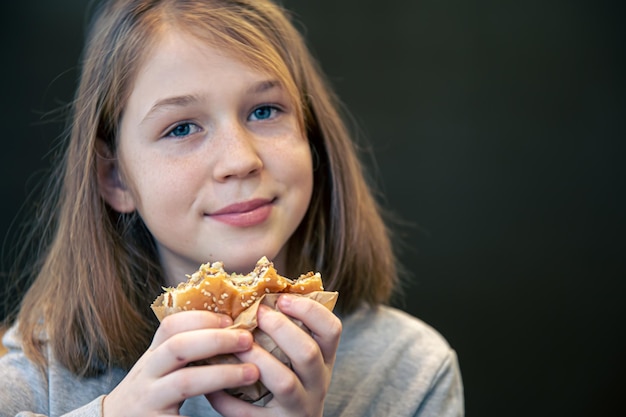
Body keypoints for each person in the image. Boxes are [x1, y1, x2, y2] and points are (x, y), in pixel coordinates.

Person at [0, 0, 464, 416]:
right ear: (115, 178)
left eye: (264, 111)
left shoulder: (411, 371)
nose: (241, 160)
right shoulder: (38, 371)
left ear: (312, 137)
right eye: (181, 128)